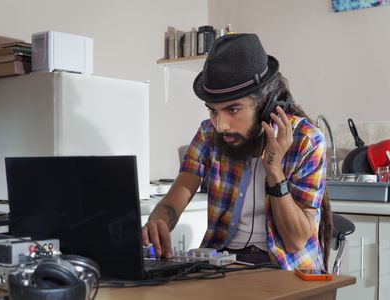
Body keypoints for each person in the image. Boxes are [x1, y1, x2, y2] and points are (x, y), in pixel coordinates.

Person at [142, 33, 332, 270]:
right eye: (213, 111)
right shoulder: (208, 134)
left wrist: (274, 171)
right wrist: (158, 221)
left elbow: (295, 241)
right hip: (225, 265)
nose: (221, 125)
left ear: (266, 106)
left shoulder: (306, 140)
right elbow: (175, 199)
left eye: (232, 110)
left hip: (287, 269)